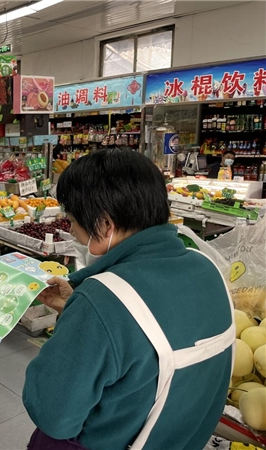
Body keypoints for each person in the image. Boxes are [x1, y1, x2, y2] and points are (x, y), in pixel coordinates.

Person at [23, 148, 235, 450]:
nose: (72, 231)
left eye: (73, 220)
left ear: (106, 224)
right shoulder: (207, 267)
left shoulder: (101, 300)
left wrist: (85, 313)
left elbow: (54, 415)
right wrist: (75, 310)